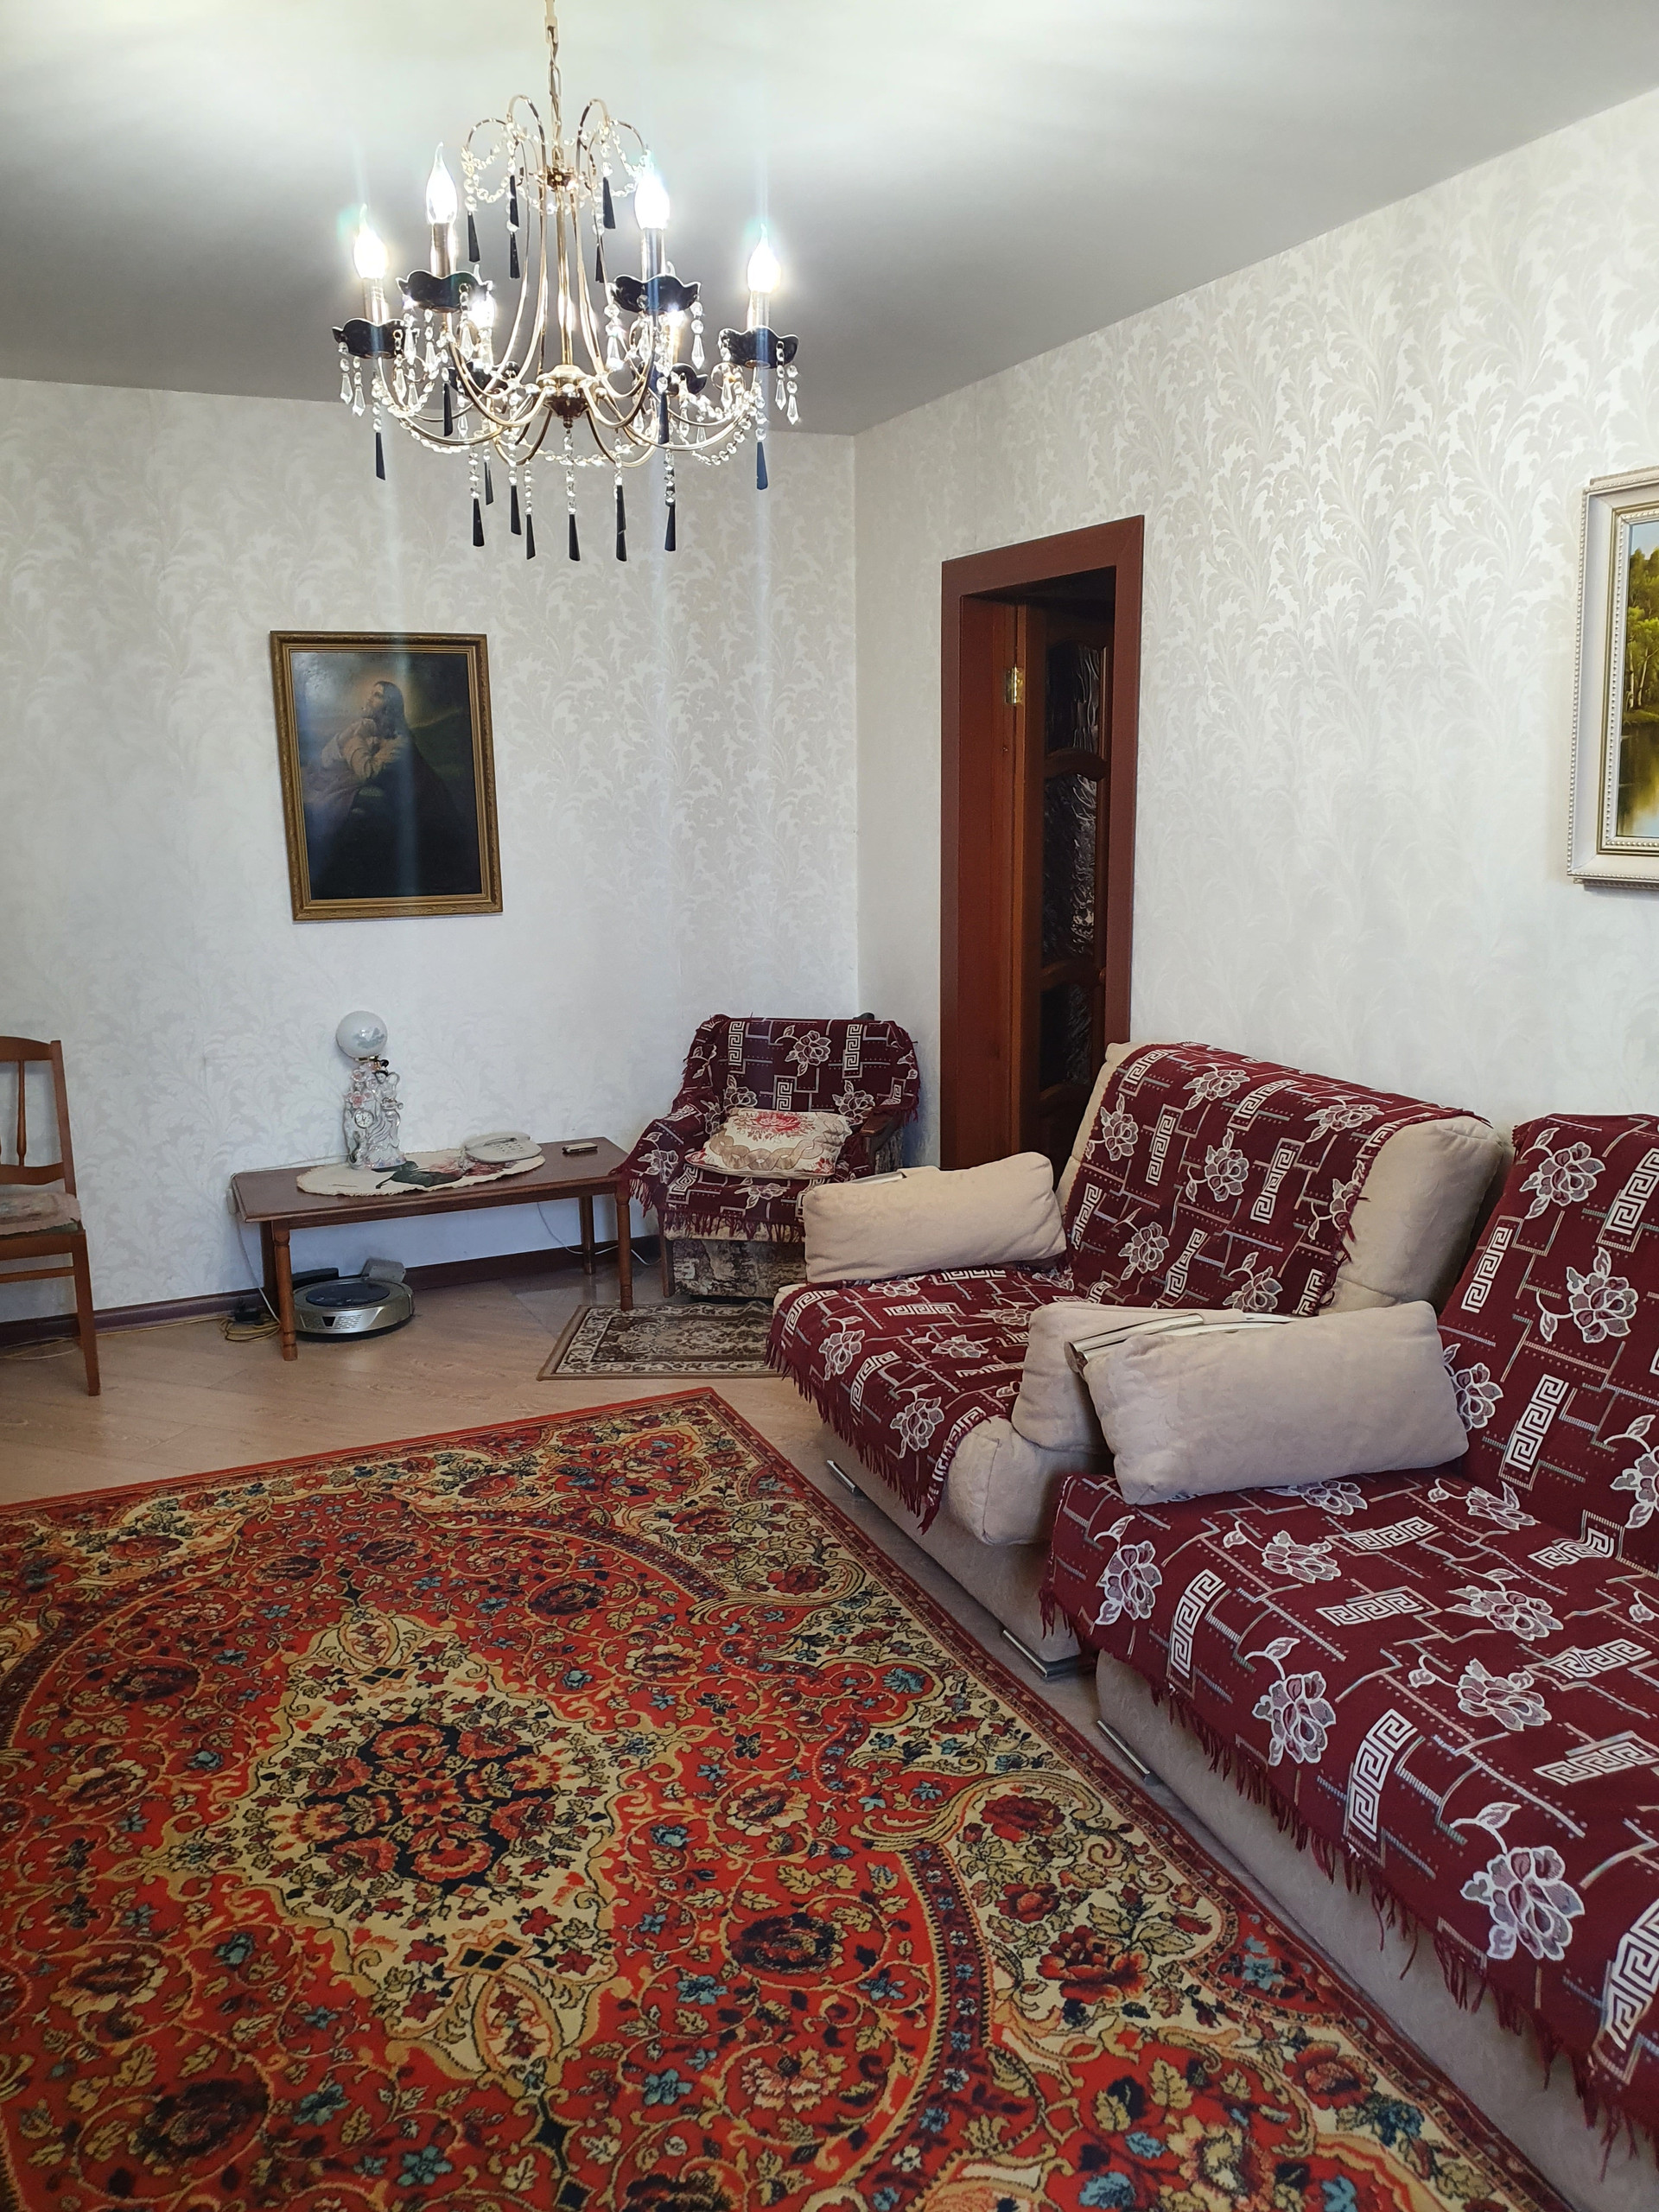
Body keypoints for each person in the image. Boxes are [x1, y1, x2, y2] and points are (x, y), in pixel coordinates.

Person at [303, 678, 479, 901]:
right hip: (393, 808)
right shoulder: (371, 729)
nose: (369, 699)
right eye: (371, 693)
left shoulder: (400, 743)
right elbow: (327, 759)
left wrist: (354, 741)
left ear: (389, 707)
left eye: (377, 695)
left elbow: (368, 772)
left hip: (423, 814)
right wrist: (347, 737)